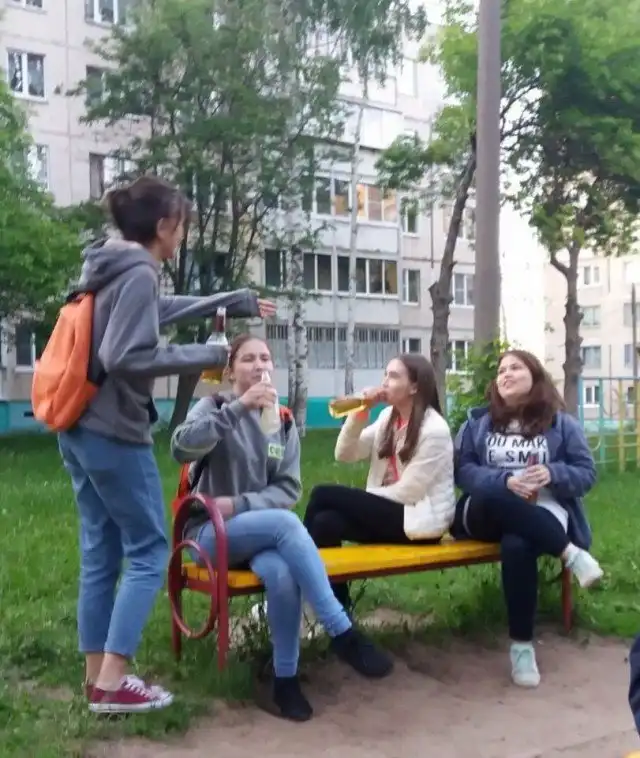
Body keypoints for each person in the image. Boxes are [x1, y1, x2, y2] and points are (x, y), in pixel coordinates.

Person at [58, 175, 276, 715]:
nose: (183, 235)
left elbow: (159, 309)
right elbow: (123, 356)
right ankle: (114, 683)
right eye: (181, 226)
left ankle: (96, 678)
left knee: (100, 550)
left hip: (77, 423)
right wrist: (207, 355)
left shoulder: (111, 264)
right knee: (149, 551)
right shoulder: (138, 271)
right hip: (113, 429)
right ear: (163, 226)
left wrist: (232, 301)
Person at [171, 334, 394, 723]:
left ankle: (285, 680)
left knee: (282, 572)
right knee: (286, 523)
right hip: (208, 534)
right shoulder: (214, 407)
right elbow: (181, 447)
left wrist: (240, 504)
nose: (259, 365)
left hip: (258, 532)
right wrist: (240, 407)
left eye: (265, 358)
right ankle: (341, 631)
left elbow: (288, 489)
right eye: (248, 359)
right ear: (231, 371)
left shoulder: (283, 421)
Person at [452, 349, 603, 689]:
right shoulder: (478, 422)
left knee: (517, 544)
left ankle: (522, 647)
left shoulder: (562, 423)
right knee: (496, 494)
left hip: (542, 510)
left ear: (535, 376)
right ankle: (570, 554)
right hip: (484, 510)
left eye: (515, 368)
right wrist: (504, 480)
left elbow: (586, 473)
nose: (505, 374)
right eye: (501, 370)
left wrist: (553, 472)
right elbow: (464, 472)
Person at [304, 354, 455, 612]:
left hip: (421, 522)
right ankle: (337, 613)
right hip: (391, 514)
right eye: (385, 374)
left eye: (393, 376)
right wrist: (360, 413)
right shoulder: (388, 417)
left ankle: (296, 585)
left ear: (414, 387)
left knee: (322, 494)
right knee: (324, 522)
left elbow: (409, 492)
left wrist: (361, 501)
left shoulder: (434, 430)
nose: (384, 382)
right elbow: (344, 454)